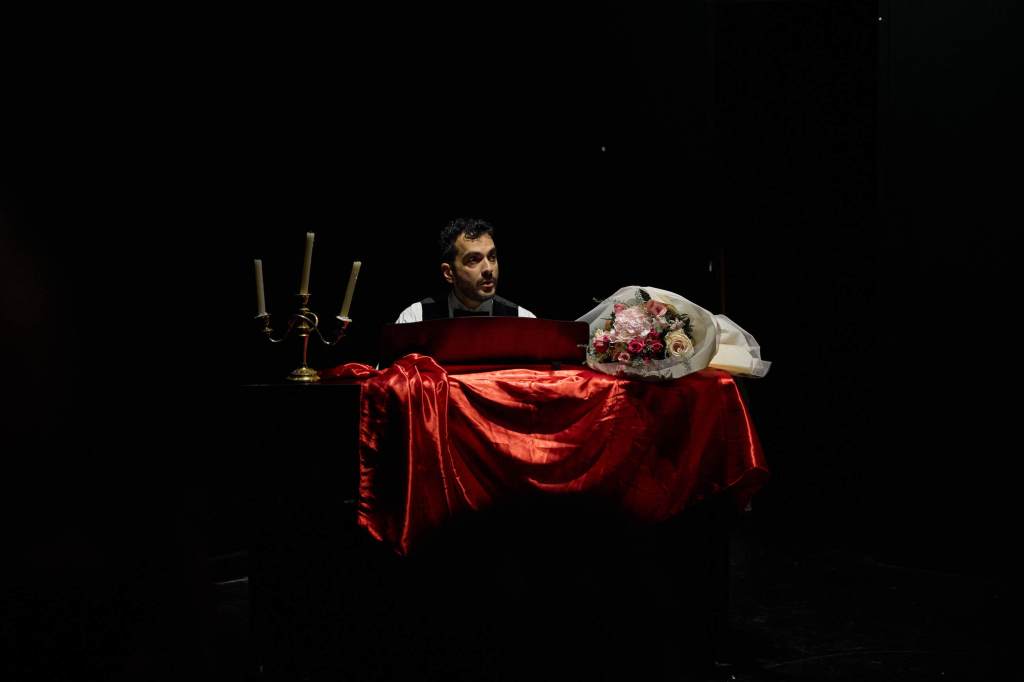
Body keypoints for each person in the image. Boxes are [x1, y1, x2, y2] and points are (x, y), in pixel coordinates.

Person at [395, 218, 536, 323]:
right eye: (473, 259)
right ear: (448, 273)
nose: (488, 268)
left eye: (492, 257)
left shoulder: (525, 321)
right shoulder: (415, 318)